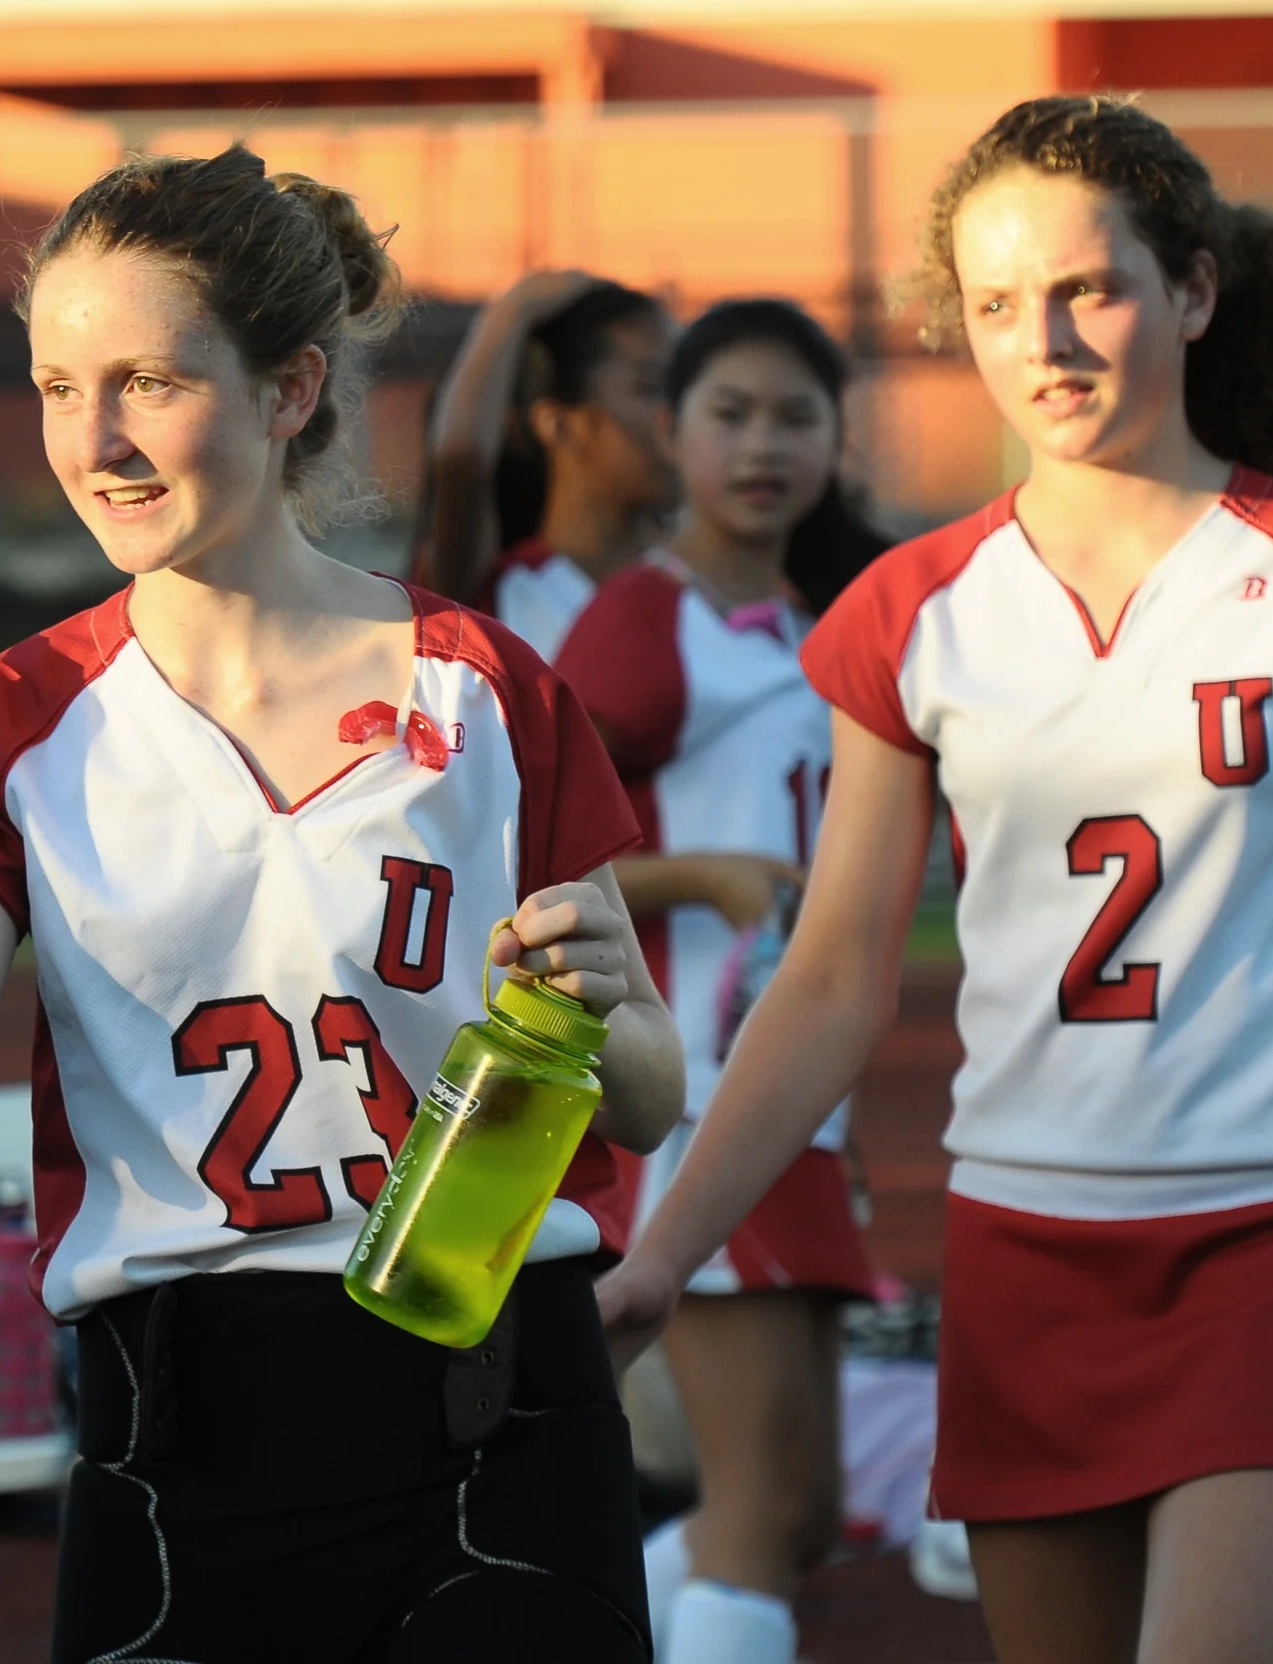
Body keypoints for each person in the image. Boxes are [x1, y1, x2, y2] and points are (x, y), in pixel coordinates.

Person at [0, 144, 684, 1661]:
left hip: (496, 1398)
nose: (94, 439)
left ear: (290, 389)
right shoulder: (22, 716)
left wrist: (611, 999)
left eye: (148, 383)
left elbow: (644, 1094)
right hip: (182, 1429)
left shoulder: (487, 687)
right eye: (57, 387)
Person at [598, 95, 1273, 1664]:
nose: (1043, 342)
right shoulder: (915, 611)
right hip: (1024, 1254)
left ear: (1193, 291)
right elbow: (834, 978)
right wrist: (664, 1255)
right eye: (996, 304)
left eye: (1089, 290)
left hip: (1270, 1233)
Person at [552, 299, 890, 1664]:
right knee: (756, 1512)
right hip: (694, 1095)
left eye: (797, 417)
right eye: (730, 414)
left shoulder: (818, 617)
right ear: (670, 429)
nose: (763, 446)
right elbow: (516, 849)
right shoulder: (645, 619)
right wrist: (702, 876)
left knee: (797, 1514)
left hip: (796, 1100)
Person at [411, 269, 682, 658]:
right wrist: (513, 311)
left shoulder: (703, 578)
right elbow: (462, 457)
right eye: (651, 387)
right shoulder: (500, 587)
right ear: (559, 424)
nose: (677, 414)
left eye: (685, 387)